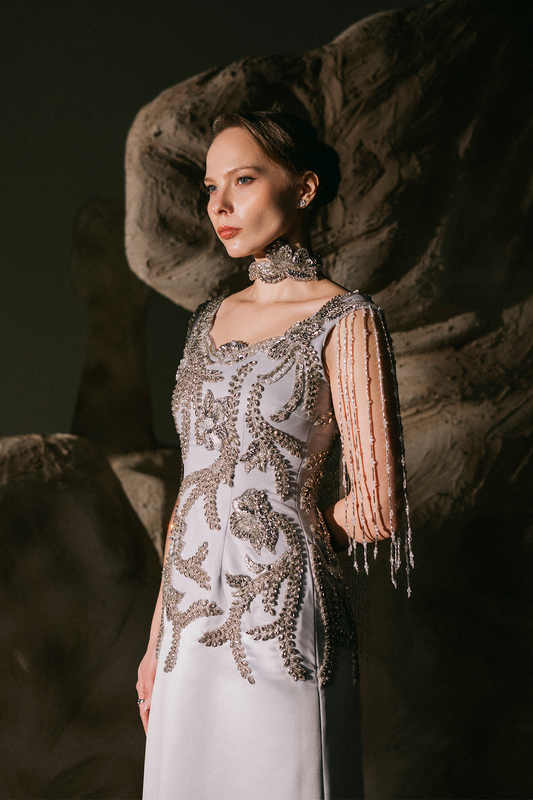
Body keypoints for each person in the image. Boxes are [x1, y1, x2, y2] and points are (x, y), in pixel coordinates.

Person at [136, 110, 413, 800]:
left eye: (243, 180)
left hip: (281, 624)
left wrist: (288, 539)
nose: (219, 206)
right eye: (210, 187)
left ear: (304, 188)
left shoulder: (345, 318)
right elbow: (192, 493)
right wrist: (154, 641)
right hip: (183, 634)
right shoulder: (207, 322)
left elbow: (377, 505)